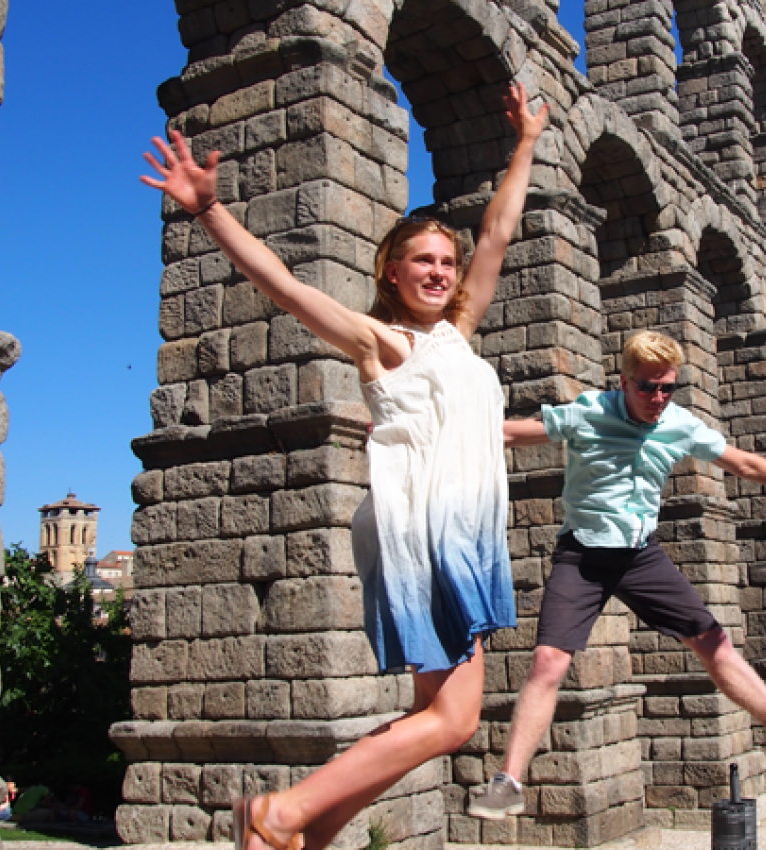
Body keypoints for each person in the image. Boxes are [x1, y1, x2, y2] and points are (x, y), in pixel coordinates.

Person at [142, 83, 549, 850]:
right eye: (420, 260)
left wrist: (524, 143)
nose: (438, 271)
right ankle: (280, 814)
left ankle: (305, 831)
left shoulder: (457, 335)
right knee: (456, 720)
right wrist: (209, 211)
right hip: (426, 534)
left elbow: (496, 235)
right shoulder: (381, 340)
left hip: (461, 531)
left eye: (445, 262)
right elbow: (287, 287)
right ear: (390, 271)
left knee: (439, 717)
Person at [467, 330, 766, 819]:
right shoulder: (589, 412)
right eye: (647, 388)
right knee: (549, 661)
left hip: (640, 555)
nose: (657, 399)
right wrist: (414, 432)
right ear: (625, 381)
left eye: (667, 388)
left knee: (712, 639)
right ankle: (508, 782)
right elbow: (506, 433)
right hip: (584, 556)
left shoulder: (679, 425)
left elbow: (742, 462)